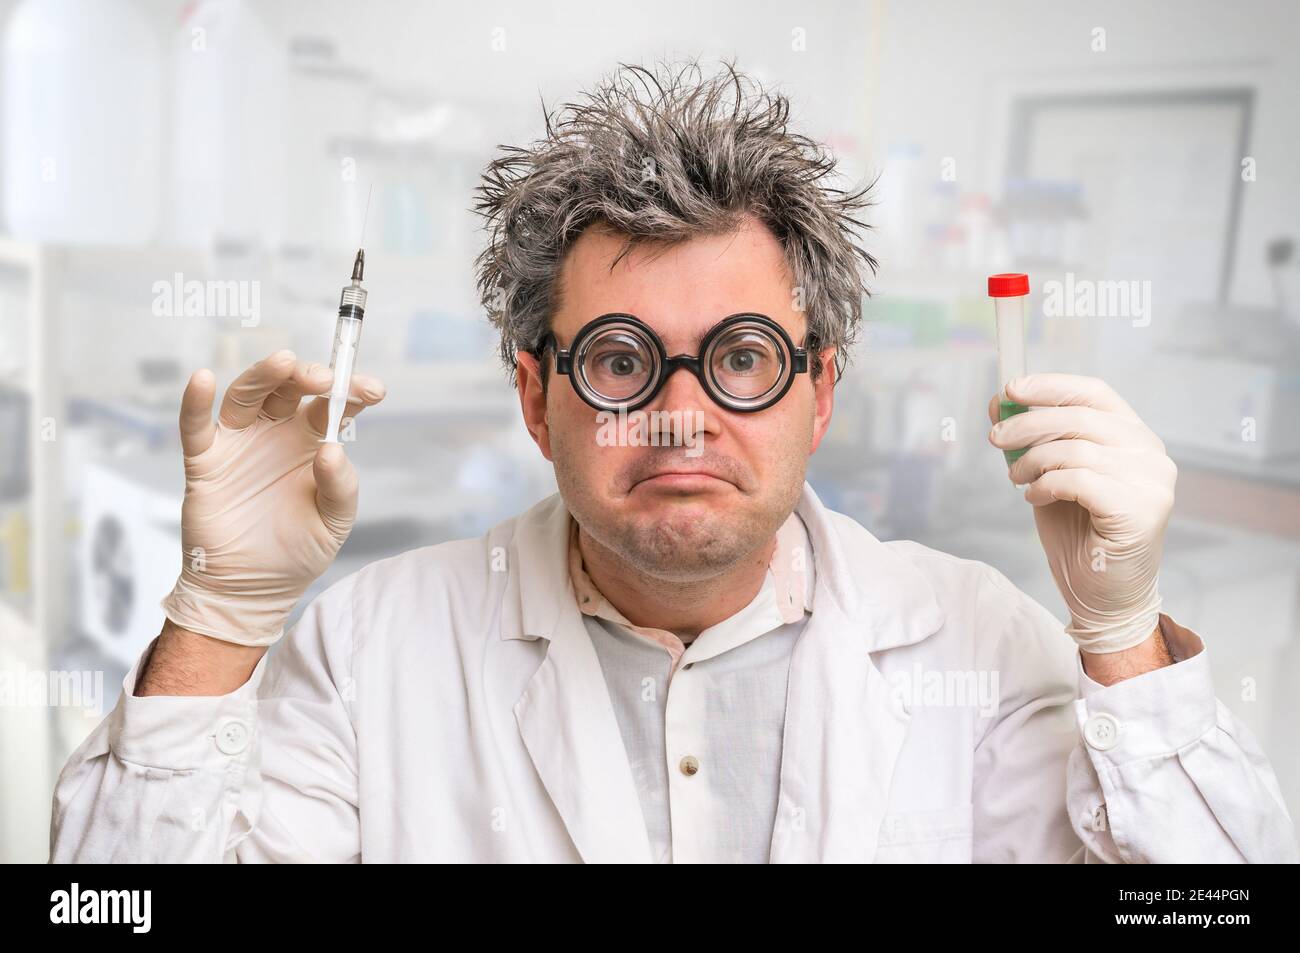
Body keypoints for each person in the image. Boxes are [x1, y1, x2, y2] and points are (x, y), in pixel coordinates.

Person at [50, 60, 1296, 863]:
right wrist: (217, 619)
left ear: (821, 390)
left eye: (743, 356)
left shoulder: (970, 638)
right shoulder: (373, 650)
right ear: (536, 398)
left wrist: (1120, 635)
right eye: (621, 360)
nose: (681, 415)